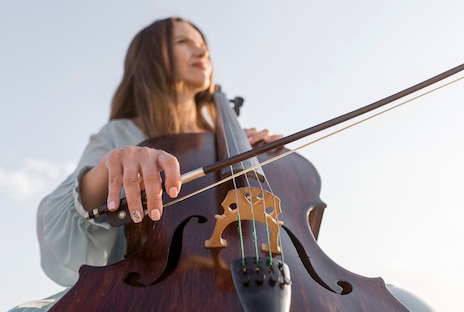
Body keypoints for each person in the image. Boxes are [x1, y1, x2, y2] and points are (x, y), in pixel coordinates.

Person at [11, 17, 432, 311]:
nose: (201, 50)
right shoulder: (124, 133)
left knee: (409, 305)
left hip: (282, 277)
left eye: (204, 44)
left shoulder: (235, 144)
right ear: (153, 56)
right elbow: (60, 224)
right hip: (160, 289)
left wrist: (274, 166)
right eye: (184, 41)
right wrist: (111, 168)